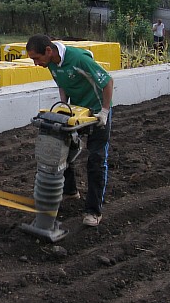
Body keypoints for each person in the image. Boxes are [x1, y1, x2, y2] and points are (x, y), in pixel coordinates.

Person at [26, 34, 113, 227]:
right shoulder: (50, 63)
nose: (36, 63)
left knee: (96, 160)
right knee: (63, 151)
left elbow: (108, 82)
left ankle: (93, 211)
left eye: (36, 59)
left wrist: (105, 112)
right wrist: (63, 106)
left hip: (98, 112)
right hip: (77, 112)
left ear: (48, 51)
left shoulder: (78, 60)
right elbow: (62, 84)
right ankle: (71, 192)